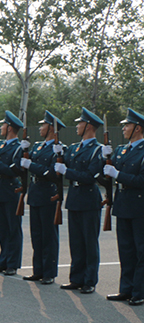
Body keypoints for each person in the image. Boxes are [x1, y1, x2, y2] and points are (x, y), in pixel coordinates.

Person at [57, 108, 105, 294]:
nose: (77, 126)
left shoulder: (97, 150)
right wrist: (58, 152)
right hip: (75, 199)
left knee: (89, 242)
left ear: (89, 126)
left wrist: (66, 171)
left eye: (80, 123)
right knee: (76, 242)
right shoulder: (74, 147)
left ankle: (90, 280)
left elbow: (89, 176)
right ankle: (76, 278)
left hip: (89, 198)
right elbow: (64, 163)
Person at [105, 109, 144, 305]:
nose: (123, 128)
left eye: (127, 125)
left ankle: (140, 291)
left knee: (140, 251)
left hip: (139, 207)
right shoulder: (122, 149)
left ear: (138, 128)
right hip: (123, 205)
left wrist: (117, 174)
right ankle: (126, 289)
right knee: (126, 250)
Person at [21, 112, 65, 285]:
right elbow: (23, 163)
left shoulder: (58, 148)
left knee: (49, 236)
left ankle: (49, 272)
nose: (40, 128)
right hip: (36, 193)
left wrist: (31, 165)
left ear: (51, 128)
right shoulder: (38, 146)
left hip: (49, 194)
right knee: (37, 235)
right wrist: (23, 150)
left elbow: (53, 174)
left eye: (43, 125)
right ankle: (38, 270)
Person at [0, 112, 24, 276]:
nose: (1, 127)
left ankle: (13, 263)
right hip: (0, 189)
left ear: (9, 128)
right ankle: (3, 260)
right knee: (2, 228)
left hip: (10, 189)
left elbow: (14, 171)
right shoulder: (0, 146)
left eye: (3, 125)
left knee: (13, 228)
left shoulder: (18, 148)